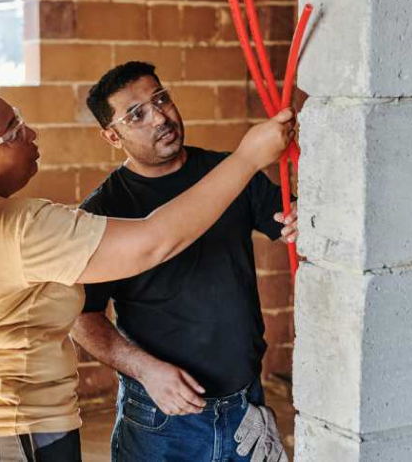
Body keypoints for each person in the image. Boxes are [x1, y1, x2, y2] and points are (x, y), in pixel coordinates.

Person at [0, 80, 293, 462]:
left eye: (21, 118)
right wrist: (248, 156)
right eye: (14, 131)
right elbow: (154, 241)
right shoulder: (13, 227)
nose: (32, 134)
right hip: (1, 435)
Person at [71, 61, 298, 462]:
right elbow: (81, 318)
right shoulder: (103, 210)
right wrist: (144, 370)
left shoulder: (227, 173)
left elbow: (291, 224)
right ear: (111, 135)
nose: (159, 116)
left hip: (245, 400)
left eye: (161, 99)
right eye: (136, 114)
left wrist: (302, 219)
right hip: (161, 417)